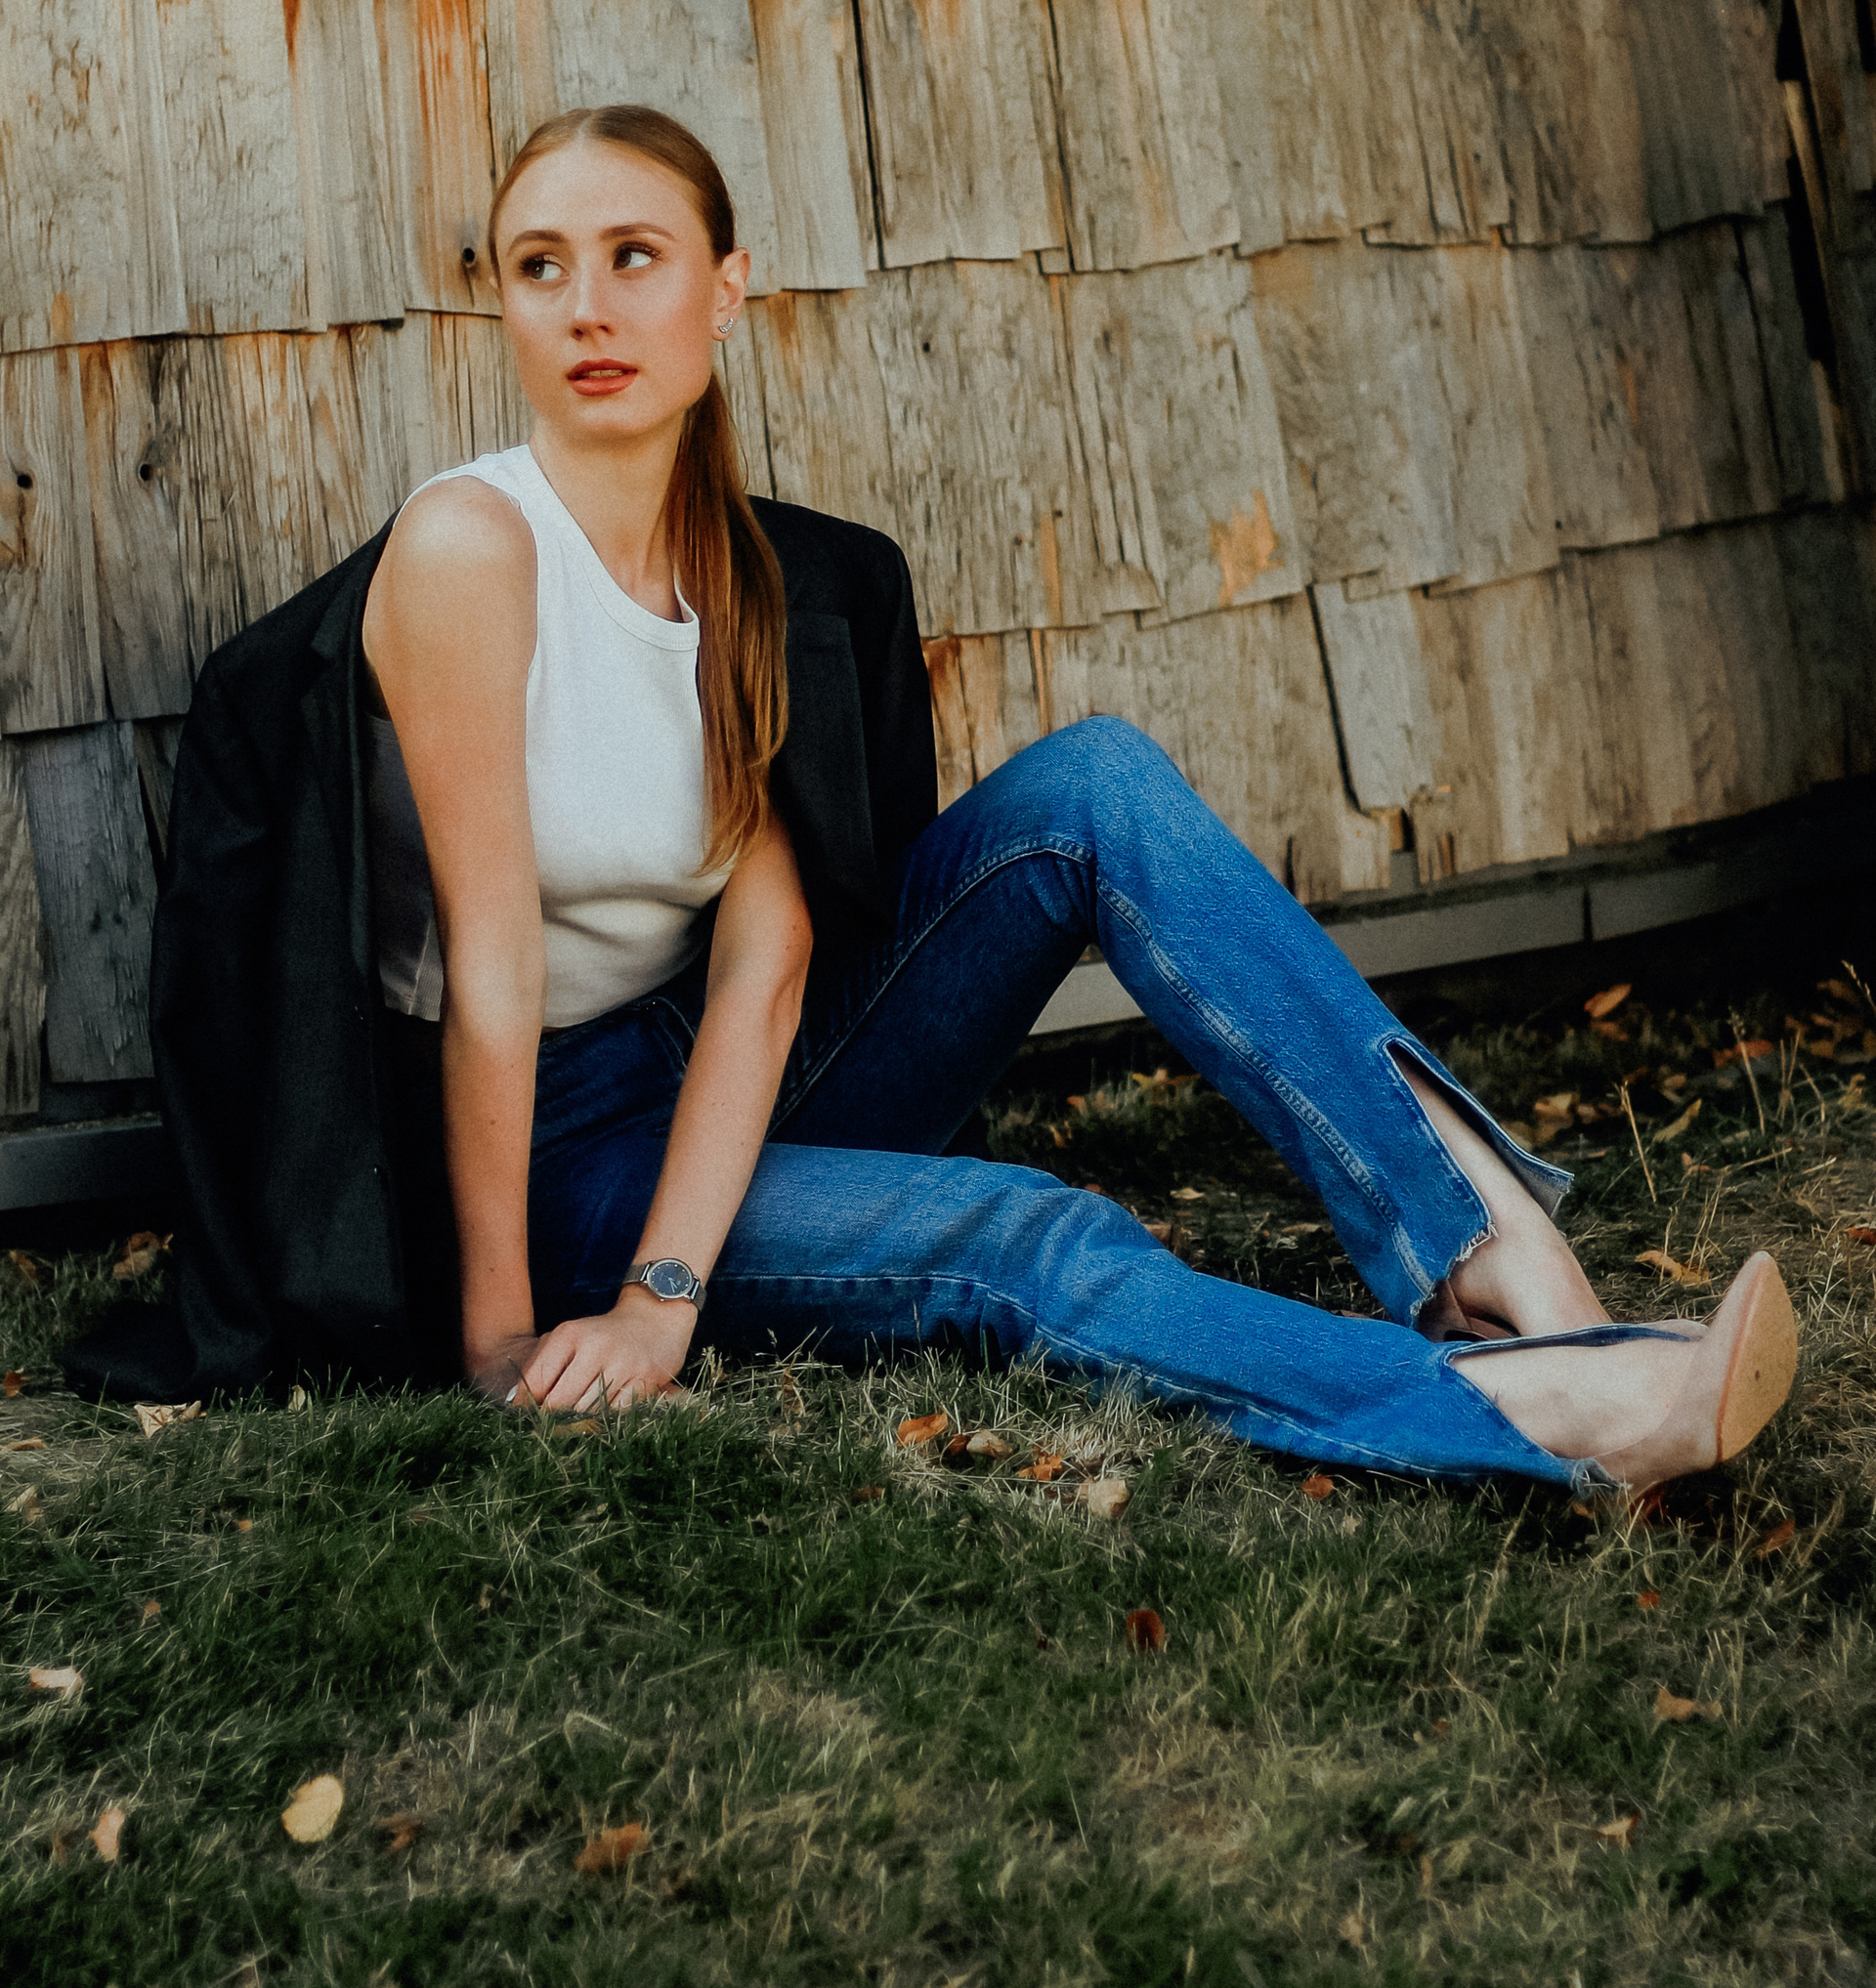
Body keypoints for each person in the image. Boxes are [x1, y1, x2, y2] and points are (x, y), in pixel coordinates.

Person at [156, 102, 1803, 1494]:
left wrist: (678, 1281)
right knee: (1022, 1237)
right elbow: (493, 979)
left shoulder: (754, 573)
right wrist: (529, 1331)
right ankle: (1537, 1411)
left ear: (728, 288)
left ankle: (1492, 1255)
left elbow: (767, 962)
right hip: (549, 1147)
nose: (586, 307)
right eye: (540, 267)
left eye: (634, 256)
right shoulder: (470, 549)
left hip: (722, 1064)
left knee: (1095, 785)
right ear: (502, 303)